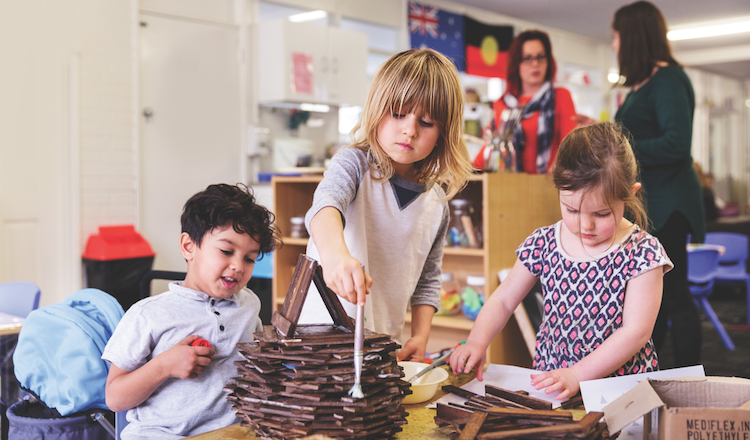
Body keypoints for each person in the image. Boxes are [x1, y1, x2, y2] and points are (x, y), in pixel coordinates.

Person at [451, 122, 672, 400]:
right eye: (571, 210)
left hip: (619, 391)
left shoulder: (642, 252)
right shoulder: (545, 242)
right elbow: (503, 299)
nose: (585, 225)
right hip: (554, 384)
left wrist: (577, 374)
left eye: (601, 214)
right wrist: (477, 340)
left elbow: (636, 332)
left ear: (630, 193)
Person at [298, 48, 473, 361]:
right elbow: (325, 207)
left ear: (444, 133)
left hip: (383, 342)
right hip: (322, 337)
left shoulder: (436, 204)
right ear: (376, 110)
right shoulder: (353, 164)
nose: (410, 129)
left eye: (427, 121)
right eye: (398, 114)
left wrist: (420, 335)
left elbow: (428, 280)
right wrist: (336, 257)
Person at [102, 183, 281, 439]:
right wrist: (163, 366)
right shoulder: (148, 314)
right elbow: (115, 399)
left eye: (249, 258)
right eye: (226, 251)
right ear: (188, 246)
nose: (238, 266)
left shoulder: (249, 304)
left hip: (233, 432)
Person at [612, 1, 705, 368]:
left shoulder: (667, 80)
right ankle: (651, 374)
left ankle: (689, 383)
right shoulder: (643, 83)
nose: (615, 44)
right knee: (658, 300)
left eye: (617, 36)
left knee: (677, 298)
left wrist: (619, 146)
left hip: (672, 204)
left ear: (633, 36)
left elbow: (676, 143)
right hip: (656, 204)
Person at [486, 30, 591, 174]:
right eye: (527, 58)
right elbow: (490, 148)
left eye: (540, 57)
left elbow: (569, 146)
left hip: (548, 185)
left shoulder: (561, 96)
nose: (535, 64)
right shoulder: (502, 104)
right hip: (508, 185)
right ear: (516, 63)